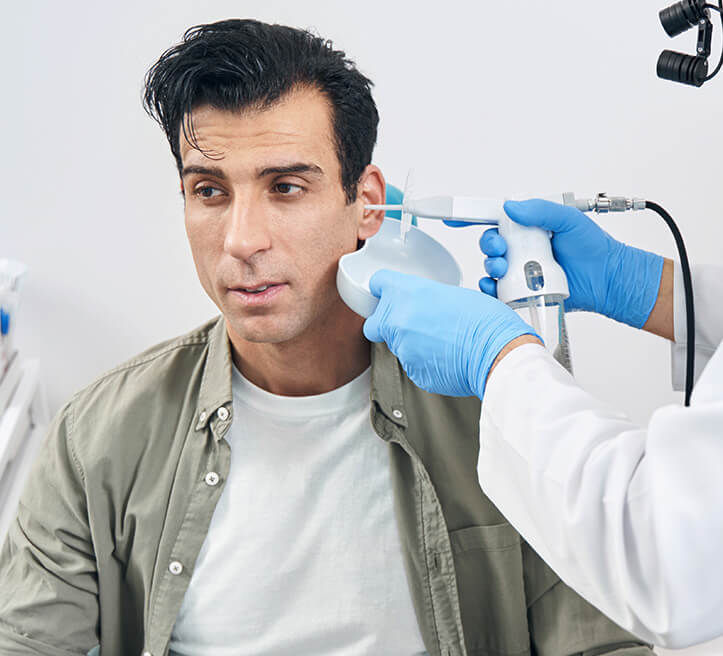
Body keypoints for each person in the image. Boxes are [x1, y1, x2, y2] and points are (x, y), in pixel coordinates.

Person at [0, 20, 657, 656]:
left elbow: (603, 644)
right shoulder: (98, 437)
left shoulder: (504, 412)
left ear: (367, 204)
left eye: (286, 187)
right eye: (209, 191)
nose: (241, 241)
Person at [365, 198, 723, 649]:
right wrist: (653, 290)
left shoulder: (453, 411)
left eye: (289, 188)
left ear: (366, 201)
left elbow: (671, 555)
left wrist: (493, 355)